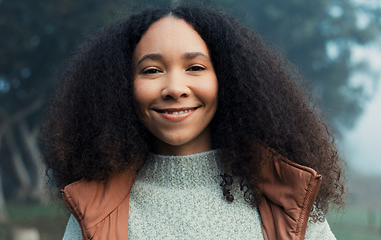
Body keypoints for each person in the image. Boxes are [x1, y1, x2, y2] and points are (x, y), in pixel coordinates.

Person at [41, 5, 344, 240]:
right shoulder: (96, 211)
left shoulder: (287, 198)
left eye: (195, 67)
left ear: (228, 79)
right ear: (120, 87)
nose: (175, 88)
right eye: (151, 70)